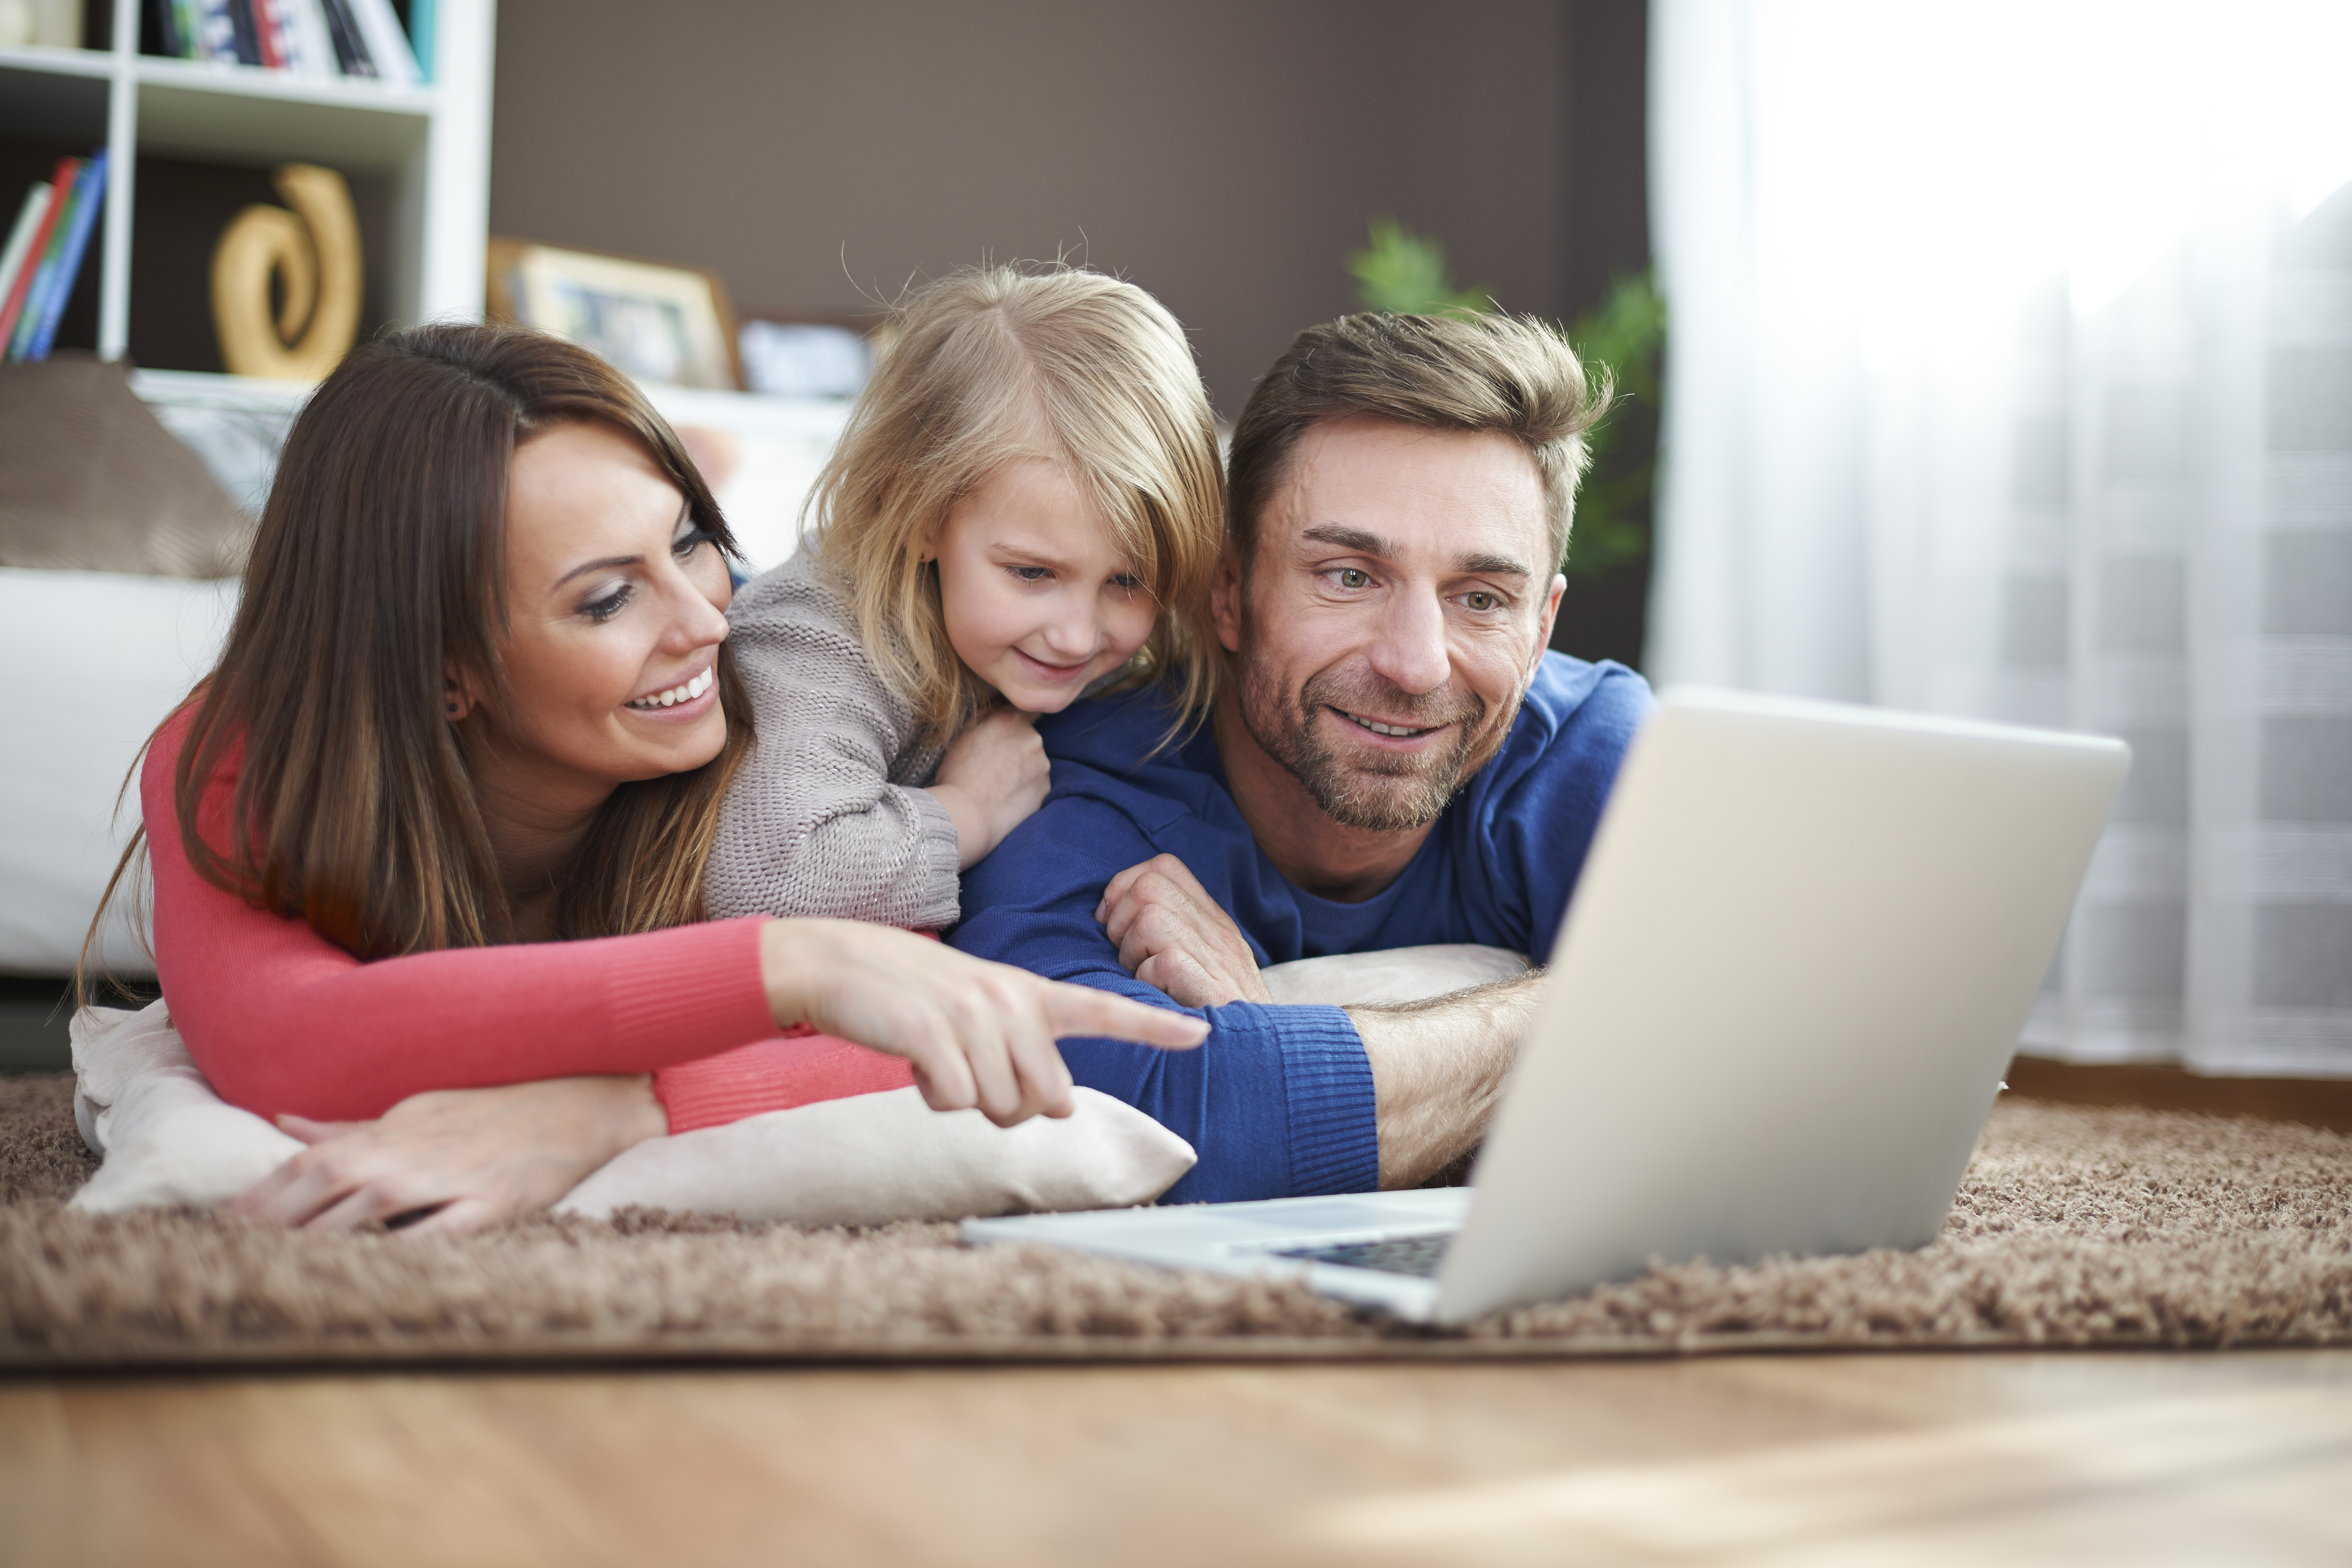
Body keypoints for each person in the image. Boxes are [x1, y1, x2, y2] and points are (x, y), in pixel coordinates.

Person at [83, 323, 1204, 1234]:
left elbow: (932, 1015)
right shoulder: (238, 752)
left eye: (689, 541)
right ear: (443, 674)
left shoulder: (775, 722)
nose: (709, 621)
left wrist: (624, 1108)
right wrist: (793, 962)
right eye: (605, 599)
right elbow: (290, 1046)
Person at [948, 310, 1654, 1203]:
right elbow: (1143, 1130)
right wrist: (1618, 1001)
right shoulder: (1076, 792)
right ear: (1230, 594)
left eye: (1481, 598)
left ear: (1542, 625)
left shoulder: (1590, 752)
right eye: (1349, 577)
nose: (1416, 662)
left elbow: (1783, 1052)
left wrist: (1277, 1030)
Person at [704, 265, 1223, 934]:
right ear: (916, 515)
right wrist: (971, 809)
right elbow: (770, 876)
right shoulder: (819, 633)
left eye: (1128, 582)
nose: (1076, 635)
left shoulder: (1073, 645)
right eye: (1033, 573)